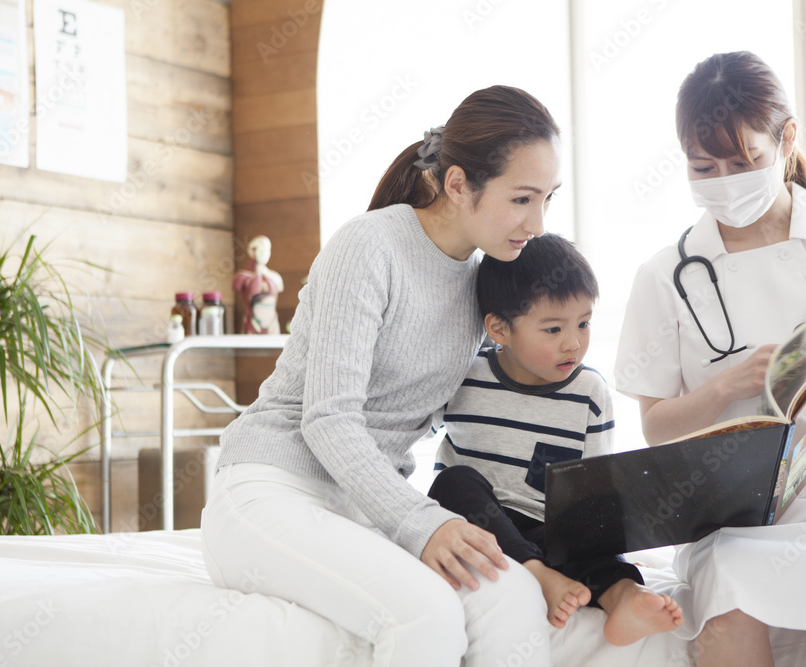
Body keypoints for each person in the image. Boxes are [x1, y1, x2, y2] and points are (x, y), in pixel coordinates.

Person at [200, 85, 564, 666]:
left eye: (548, 197)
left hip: (363, 510)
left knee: (512, 597)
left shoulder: (484, 282)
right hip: (270, 489)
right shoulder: (370, 246)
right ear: (457, 184)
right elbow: (328, 418)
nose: (538, 221)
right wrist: (423, 522)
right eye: (522, 198)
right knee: (426, 612)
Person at [614, 51, 806, 667]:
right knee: (730, 599)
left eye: (746, 160)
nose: (726, 178)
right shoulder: (665, 274)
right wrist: (726, 388)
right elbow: (654, 425)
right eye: (705, 166)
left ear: (788, 138)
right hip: (732, 510)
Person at [428, 232, 684, 645]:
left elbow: (594, 488)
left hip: (549, 529)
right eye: (552, 329)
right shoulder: (464, 375)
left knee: (593, 530)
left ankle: (624, 597)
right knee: (452, 483)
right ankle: (537, 575)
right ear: (499, 328)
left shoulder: (590, 393)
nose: (573, 343)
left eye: (583, 323)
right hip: (480, 525)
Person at [233, 234, 284, 334]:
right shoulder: (242, 276)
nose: (264, 253)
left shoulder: (275, 277)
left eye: (267, 249)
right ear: (252, 251)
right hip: (252, 323)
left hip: (272, 325)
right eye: (260, 249)